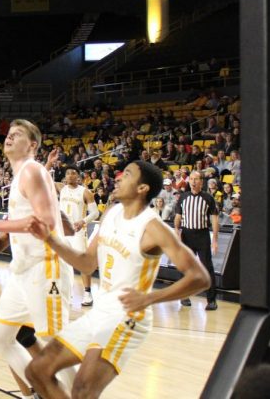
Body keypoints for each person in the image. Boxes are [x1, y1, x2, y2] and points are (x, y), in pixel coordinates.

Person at [23, 161, 211, 399]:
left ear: (142, 188)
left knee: (83, 389)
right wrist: (50, 239)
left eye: (128, 175)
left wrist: (150, 297)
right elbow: (87, 263)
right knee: (37, 371)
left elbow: (200, 277)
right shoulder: (111, 214)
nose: (119, 178)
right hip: (102, 311)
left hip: (127, 316)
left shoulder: (152, 227)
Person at [0, 119, 68, 394]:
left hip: (46, 267)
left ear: (32, 145)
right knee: (2, 339)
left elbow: (46, 222)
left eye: (17, 134)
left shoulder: (32, 170)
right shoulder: (18, 179)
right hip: (22, 272)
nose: (9, 138)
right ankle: (44, 392)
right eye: (9, 134)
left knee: (57, 343)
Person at [0, 197, 76, 397]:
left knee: (53, 340)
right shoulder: (11, 217)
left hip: (49, 272)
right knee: (1, 339)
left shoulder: (45, 205)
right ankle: (42, 391)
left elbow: (70, 230)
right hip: (21, 276)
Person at [174, 170, 220, 310]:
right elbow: (178, 216)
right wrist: (177, 231)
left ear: (201, 181)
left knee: (207, 267)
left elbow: (214, 219)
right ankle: (184, 296)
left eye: (196, 179)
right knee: (185, 267)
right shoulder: (183, 197)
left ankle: (211, 300)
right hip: (186, 235)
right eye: (191, 179)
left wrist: (215, 240)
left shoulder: (208, 198)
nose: (193, 181)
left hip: (202, 235)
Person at [55, 166, 99, 307]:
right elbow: (43, 177)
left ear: (78, 176)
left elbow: (95, 213)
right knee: (63, 263)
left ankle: (87, 293)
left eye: (73, 173)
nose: (70, 175)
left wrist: (83, 221)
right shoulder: (61, 188)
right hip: (63, 231)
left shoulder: (85, 192)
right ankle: (67, 292)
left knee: (82, 263)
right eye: (67, 173)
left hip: (78, 231)